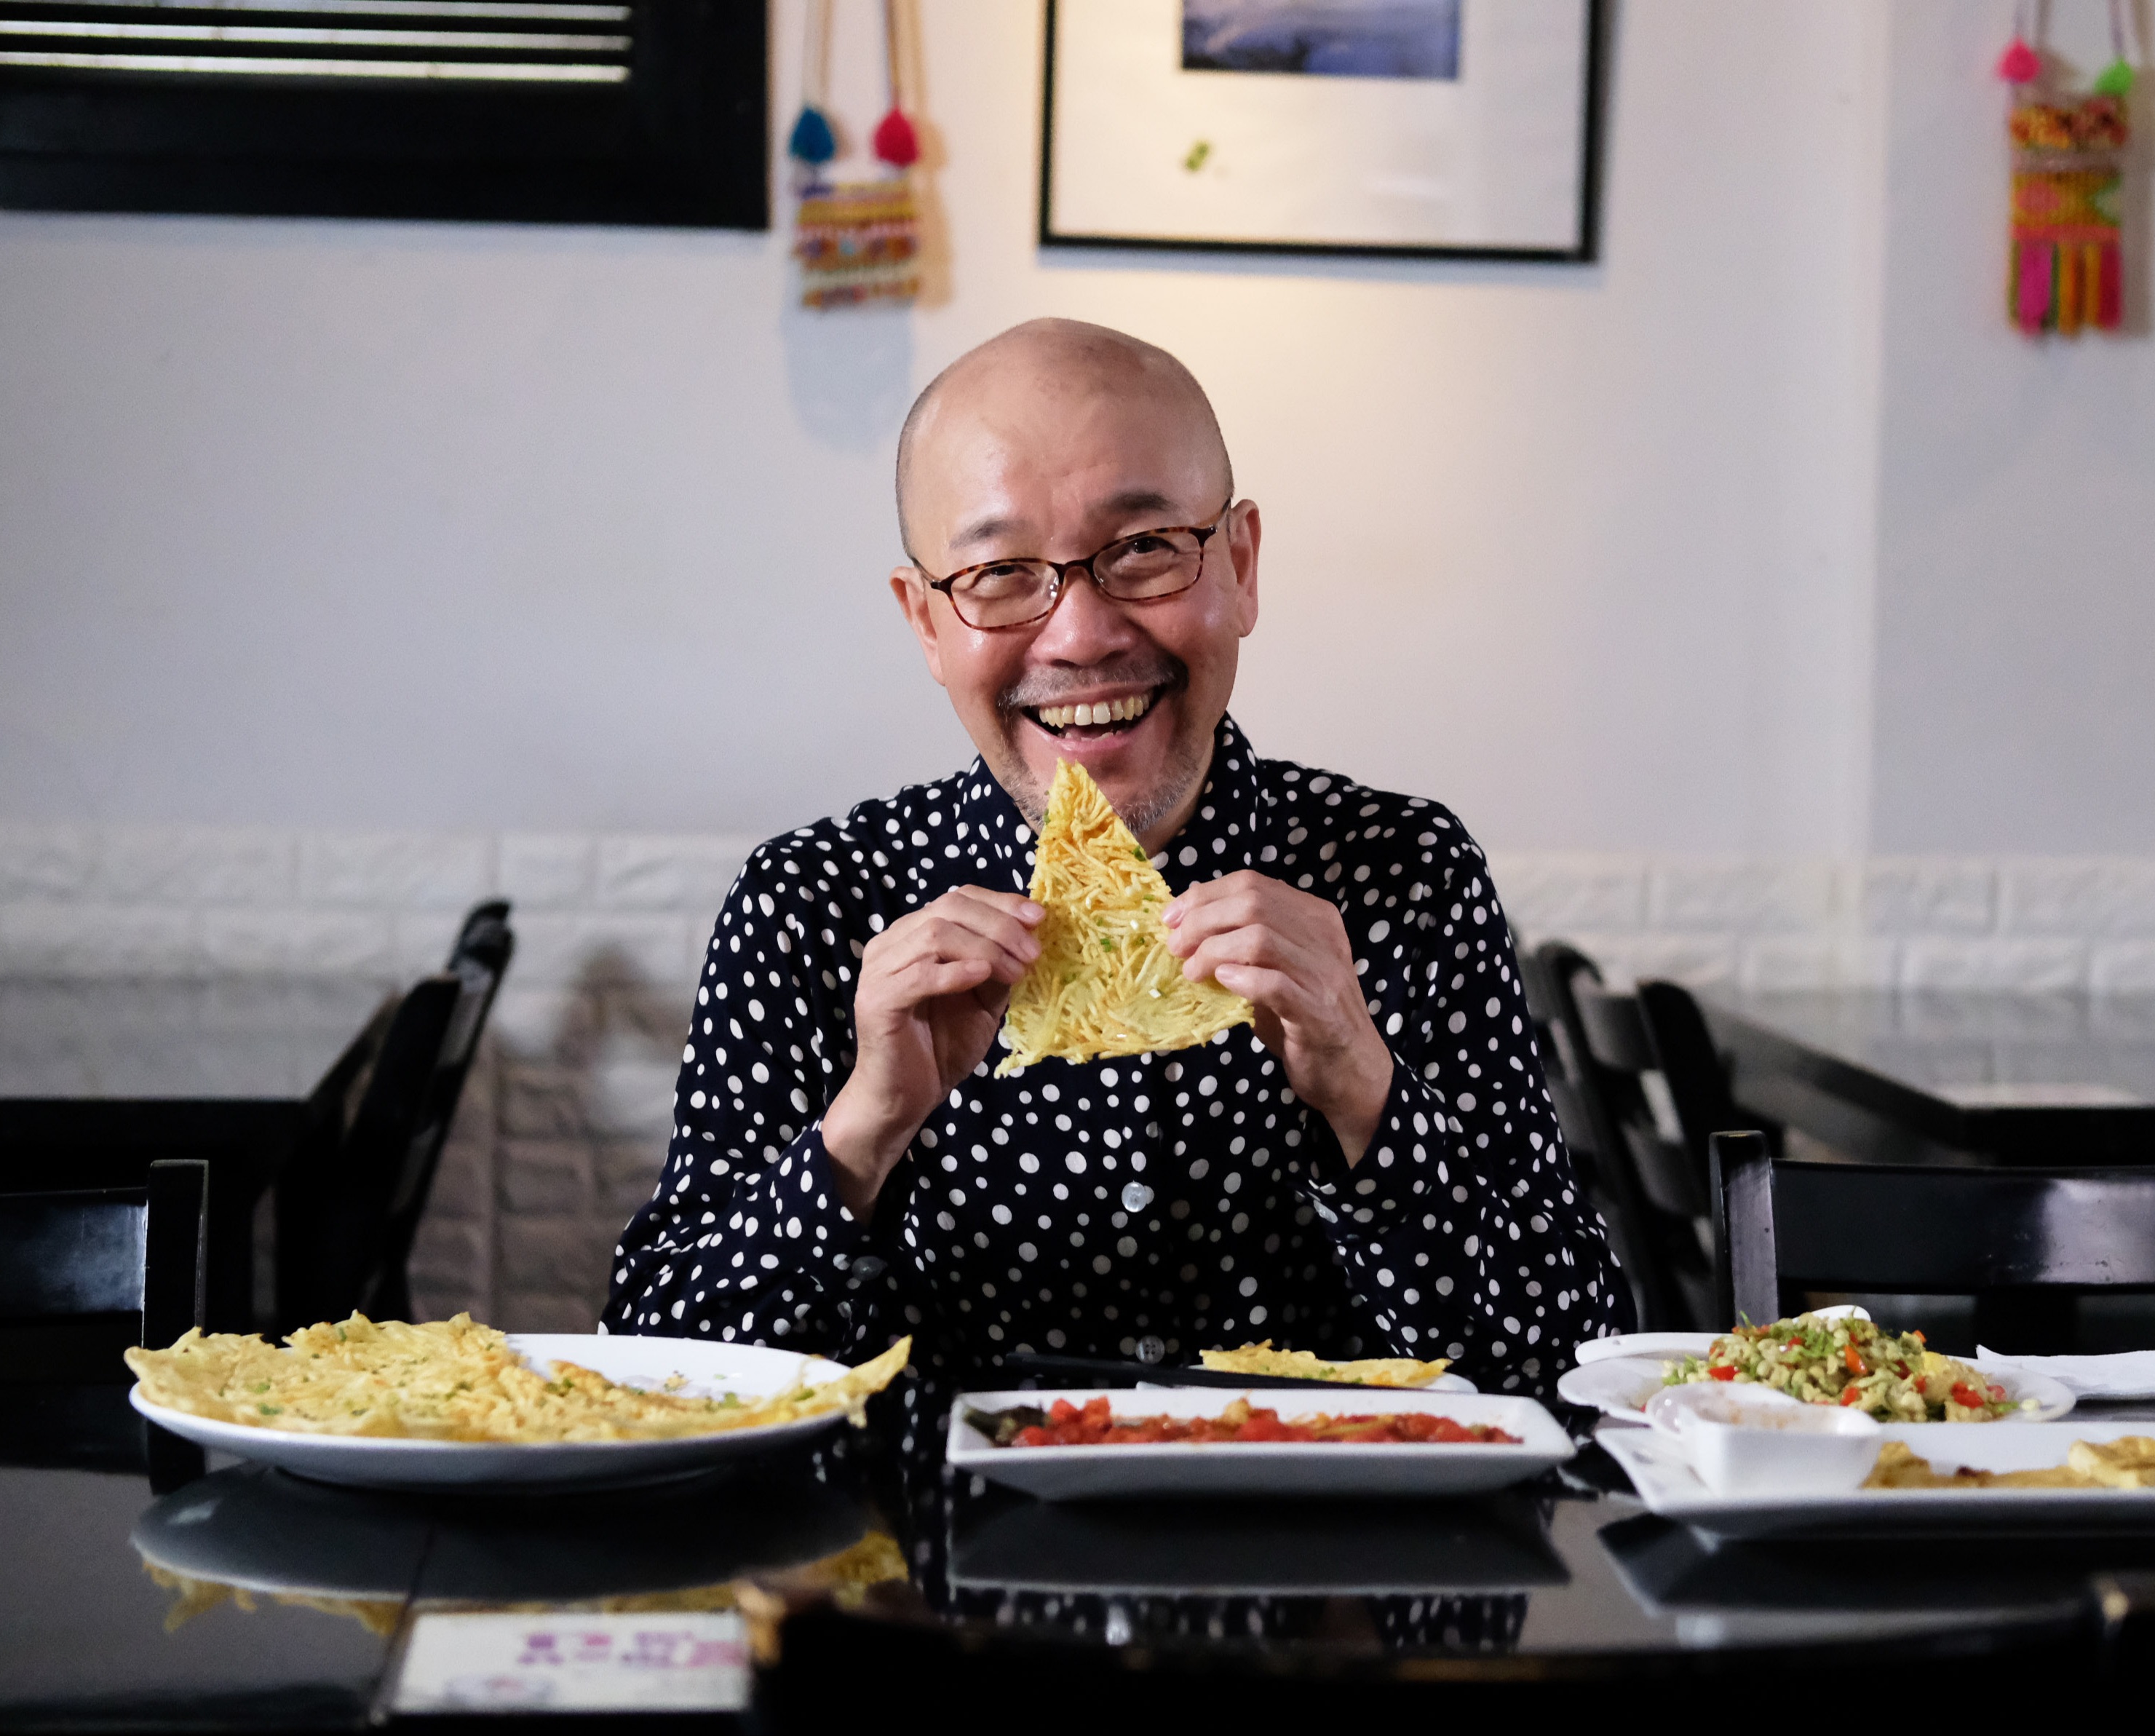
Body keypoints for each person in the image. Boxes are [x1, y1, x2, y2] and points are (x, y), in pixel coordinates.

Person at [601, 319, 1627, 1393]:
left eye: (1142, 551)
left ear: (1239, 565)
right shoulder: (812, 906)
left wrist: (1364, 1093)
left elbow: (1567, 1361)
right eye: (1000, 573)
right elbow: (657, 1372)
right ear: (927, 623)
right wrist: (860, 1133)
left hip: (1318, 1552)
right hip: (931, 1553)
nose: (1081, 634)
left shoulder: (1400, 878)